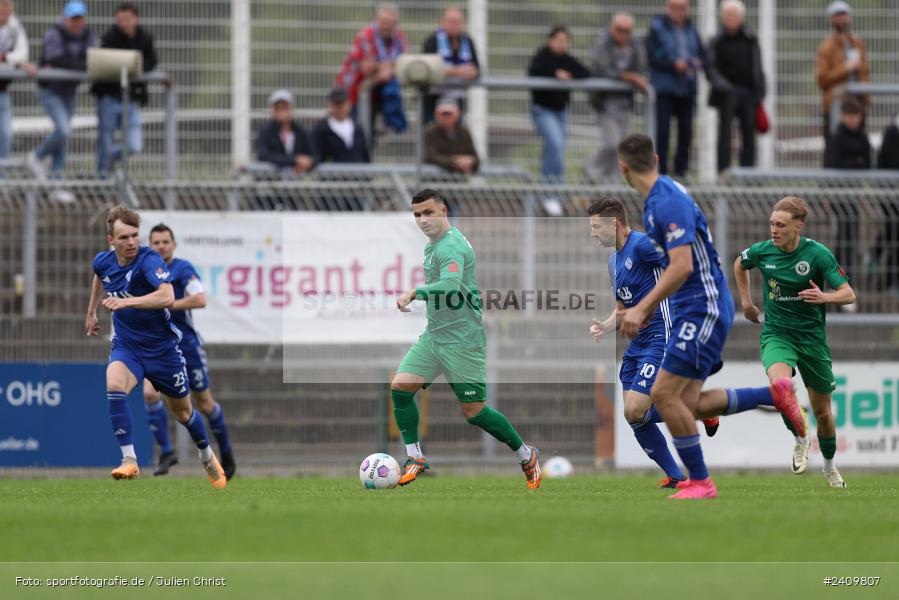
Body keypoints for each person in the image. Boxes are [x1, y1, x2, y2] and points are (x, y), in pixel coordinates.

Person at [616, 134, 804, 499]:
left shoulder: (665, 202)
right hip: (698, 306)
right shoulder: (663, 195)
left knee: (664, 394)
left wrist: (642, 306)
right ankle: (775, 393)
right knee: (687, 405)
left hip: (704, 306)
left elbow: (682, 265)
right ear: (655, 157)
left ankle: (701, 481)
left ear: (623, 167)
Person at [392, 188, 542, 489]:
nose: (423, 220)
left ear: (444, 210)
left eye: (428, 212)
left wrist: (415, 293)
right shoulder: (435, 244)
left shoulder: (451, 246)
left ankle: (526, 455)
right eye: (417, 214)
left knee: (475, 413)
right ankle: (415, 457)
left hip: (463, 340)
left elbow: (449, 284)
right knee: (400, 389)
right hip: (435, 337)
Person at [85, 207, 226, 488]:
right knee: (114, 383)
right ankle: (129, 461)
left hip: (163, 350)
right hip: (128, 345)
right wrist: (90, 313)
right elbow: (99, 277)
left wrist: (126, 302)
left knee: (184, 413)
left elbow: (166, 296)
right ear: (110, 240)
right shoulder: (103, 261)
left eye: (135, 235)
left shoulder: (149, 259)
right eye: (124, 237)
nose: (131, 242)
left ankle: (207, 456)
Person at [589, 197, 723, 488]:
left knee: (636, 408)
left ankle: (698, 411)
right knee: (635, 415)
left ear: (614, 224)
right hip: (636, 343)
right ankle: (676, 475)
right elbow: (623, 307)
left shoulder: (642, 246)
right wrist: (606, 325)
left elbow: (681, 264)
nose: (592, 233)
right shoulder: (613, 261)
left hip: (662, 336)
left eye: (596, 226)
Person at [734, 196, 855, 487]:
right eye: (772, 224)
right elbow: (740, 263)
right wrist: (747, 303)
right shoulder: (763, 252)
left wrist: (825, 296)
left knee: (824, 413)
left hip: (812, 339)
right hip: (778, 334)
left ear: (798, 226)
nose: (774, 230)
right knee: (780, 388)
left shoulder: (817, 254)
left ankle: (828, 466)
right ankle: (800, 437)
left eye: (781, 225)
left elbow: (849, 294)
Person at [142, 224, 237, 480]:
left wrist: (170, 303)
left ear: (173, 245)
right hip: (160, 347)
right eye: (156, 242)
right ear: (149, 246)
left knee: (205, 404)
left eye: (165, 241)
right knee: (150, 393)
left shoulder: (182, 269)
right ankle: (167, 451)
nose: (161, 246)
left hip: (187, 346)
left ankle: (226, 454)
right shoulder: (145, 268)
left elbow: (200, 299)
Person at [28, 1, 96, 179]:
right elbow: (55, 58)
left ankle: (55, 182)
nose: (77, 22)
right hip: (50, 90)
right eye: (73, 18)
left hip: (68, 92)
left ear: (84, 18)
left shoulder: (88, 35)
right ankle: (36, 157)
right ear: (65, 18)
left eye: (80, 18)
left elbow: (93, 59)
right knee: (63, 130)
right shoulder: (54, 33)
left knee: (63, 137)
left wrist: (72, 65)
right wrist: (79, 66)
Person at [90, 3, 157, 178]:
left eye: (126, 20)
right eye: (120, 20)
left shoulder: (145, 38)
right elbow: (106, 63)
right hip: (109, 98)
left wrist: (132, 67)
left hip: (131, 99)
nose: (123, 24)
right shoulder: (110, 38)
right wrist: (132, 66)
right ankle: (102, 180)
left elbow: (151, 63)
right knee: (105, 140)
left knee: (134, 146)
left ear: (136, 19)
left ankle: (108, 160)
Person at [586, 13, 648, 183]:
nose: (623, 34)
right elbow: (602, 69)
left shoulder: (634, 43)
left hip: (625, 103)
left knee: (622, 147)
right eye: (619, 30)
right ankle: (591, 172)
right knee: (611, 143)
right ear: (612, 28)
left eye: (627, 31)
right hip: (605, 103)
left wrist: (635, 76)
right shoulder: (603, 42)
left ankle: (611, 185)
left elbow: (641, 67)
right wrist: (629, 77)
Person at [646, 0, 705, 178]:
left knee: (686, 132)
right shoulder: (657, 28)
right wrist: (673, 64)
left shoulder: (692, 29)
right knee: (662, 132)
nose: (678, 11)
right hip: (665, 89)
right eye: (674, 7)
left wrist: (694, 63)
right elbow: (653, 56)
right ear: (667, 8)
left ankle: (681, 173)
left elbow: (703, 55)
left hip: (687, 88)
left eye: (682, 8)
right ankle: (661, 173)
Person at [706, 0, 766, 173]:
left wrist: (760, 90)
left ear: (741, 17)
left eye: (735, 15)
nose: (732, 19)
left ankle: (748, 175)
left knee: (749, 135)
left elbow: (758, 66)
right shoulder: (716, 40)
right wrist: (724, 87)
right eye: (728, 15)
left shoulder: (751, 38)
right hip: (726, 94)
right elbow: (710, 68)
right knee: (724, 135)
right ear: (723, 17)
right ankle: (723, 174)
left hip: (748, 94)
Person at [336, 3, 408, 141]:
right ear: (376, 20)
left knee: (370, 137)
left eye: (391, 22)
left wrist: (387, 69)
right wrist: (387, 67)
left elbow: (404, 62)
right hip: (353, 92)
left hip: (376, 92)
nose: (387, 26)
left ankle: (393, 124)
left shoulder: (399, 37)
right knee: (357, 135)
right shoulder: (366, 36)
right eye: (384, 22)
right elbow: (366, 67)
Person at [527, 25, 590, 183]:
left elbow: (585, 73)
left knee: (556, 149)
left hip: (561, 111)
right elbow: (534, 72)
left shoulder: (568, 60)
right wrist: (554, 74)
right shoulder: (541, 56)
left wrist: (569, 75)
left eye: (565, 41)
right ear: (550, 40)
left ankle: (552, 191)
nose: (561, 44)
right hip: (542, 110)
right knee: (555, 144)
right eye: (558, 40)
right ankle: (551, 191)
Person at [824, 96, 869, 290]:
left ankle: (845, 276)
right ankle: (839, 276)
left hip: (853, 192)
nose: (852, 119)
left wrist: (853, 163)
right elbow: (832, 163)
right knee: (845, 235)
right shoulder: (838, 137)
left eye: (855, 115)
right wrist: (855, 162)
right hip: (840, 193)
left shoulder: (862, 137)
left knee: (852, 235)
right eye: (849, 115)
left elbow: (867, 163)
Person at [817, 2, 868, 141]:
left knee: (858, 147)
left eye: (844, 14)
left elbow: (865, 72)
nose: (842, 19)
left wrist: (865, 98)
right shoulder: (826, 47)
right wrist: (845, 68)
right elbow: (821, 78)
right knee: (835, 149)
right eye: (837, 15)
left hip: (857, 104)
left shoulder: (857, 43)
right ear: (831, 19)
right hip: (836, 106)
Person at [422, 6, 480, 124]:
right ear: (443, 22)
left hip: (457, 99)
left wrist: (472, 72)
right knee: (432, 134)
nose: (455, 25)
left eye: (458, 21)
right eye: (451, 21)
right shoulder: (432, 41)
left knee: (455, 136)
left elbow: (477, 68)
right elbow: (427, 70)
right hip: (433, 98)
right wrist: (457, 72)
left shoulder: (467, 41)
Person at [0, 0, 35, 160]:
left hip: (3, 90)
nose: (3, 13)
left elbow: (22, 54)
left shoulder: (15, 27)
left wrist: (6, 57)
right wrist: (15, 62)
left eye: (6, 9)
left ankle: (3, 179)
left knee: (5, 135)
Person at [255, 89, 313, 175]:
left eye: (284, 107)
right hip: (271, 181)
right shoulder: (265, 132)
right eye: (278, 108)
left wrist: (307, 162)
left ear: (291, 109)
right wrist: (294, 160)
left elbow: (312, 153)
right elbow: (263, 155)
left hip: (296, 182)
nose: (281, 111)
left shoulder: (300, 132)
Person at [310, 87, 370, 164]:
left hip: (359, 175)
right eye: (336, 104)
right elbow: (316, 155)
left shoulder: (357, 128)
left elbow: (365, 155)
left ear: (349, 104)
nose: (339, 107)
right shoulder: (321, 129)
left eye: (341, 103)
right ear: (330, 105)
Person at [874, 115, 899, 290]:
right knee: (893, 231)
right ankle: (889, 281)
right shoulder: (892, 133)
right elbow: (891, 162)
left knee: (893, 232)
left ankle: (889, 280)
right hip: (889, 194)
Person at [423, 97, 479, 174]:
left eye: (449, 113)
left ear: (458, 114)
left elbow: (475, 156)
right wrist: (455, 161)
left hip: (459, 181)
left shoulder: (464, 133)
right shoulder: (430, 131)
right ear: (436, 114)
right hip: (432, 181)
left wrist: (470, 161)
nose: (446, 117)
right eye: (443, 114)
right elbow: (429, 156)